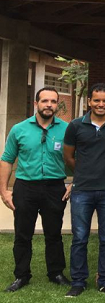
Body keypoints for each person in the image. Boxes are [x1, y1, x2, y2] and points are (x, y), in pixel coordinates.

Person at [1, 87, 70, 292]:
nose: (49, 105)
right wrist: (4, 191)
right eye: (45, 101)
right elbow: (7, 160)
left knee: (54, 233)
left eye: (53, 101)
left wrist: (75, 183)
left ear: (57, 105)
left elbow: (80, 158)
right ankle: (21, 275)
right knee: (23, 234)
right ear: (36, 104)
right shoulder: (19, 129)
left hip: (55, 187)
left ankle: (56, 273)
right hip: (25, 187)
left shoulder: (67, 129)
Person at [63, 83, 105, 297]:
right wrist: (84, 172)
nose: (101, 104)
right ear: (89, 101)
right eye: (97, 100)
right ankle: (78, 282)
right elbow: (68, 156)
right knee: (80, 237)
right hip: (82, 190)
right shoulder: (75, 125)